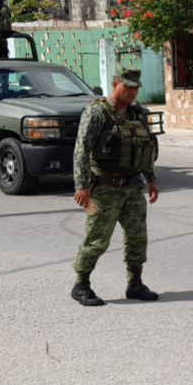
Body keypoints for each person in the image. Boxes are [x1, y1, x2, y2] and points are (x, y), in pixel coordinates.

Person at [71, 68, 160, 306]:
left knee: (137, 238)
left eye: (136, 87)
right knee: (97, 239)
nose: (132, 92)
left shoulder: (137, 112)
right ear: (114, 84)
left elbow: (145, 148)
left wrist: (150, 179)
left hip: (132, 187)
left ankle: (135, 283)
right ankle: (81, 284)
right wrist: (82, 186)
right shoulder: (97, 112)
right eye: (128, 86)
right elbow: (81, 151)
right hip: (103, 187)